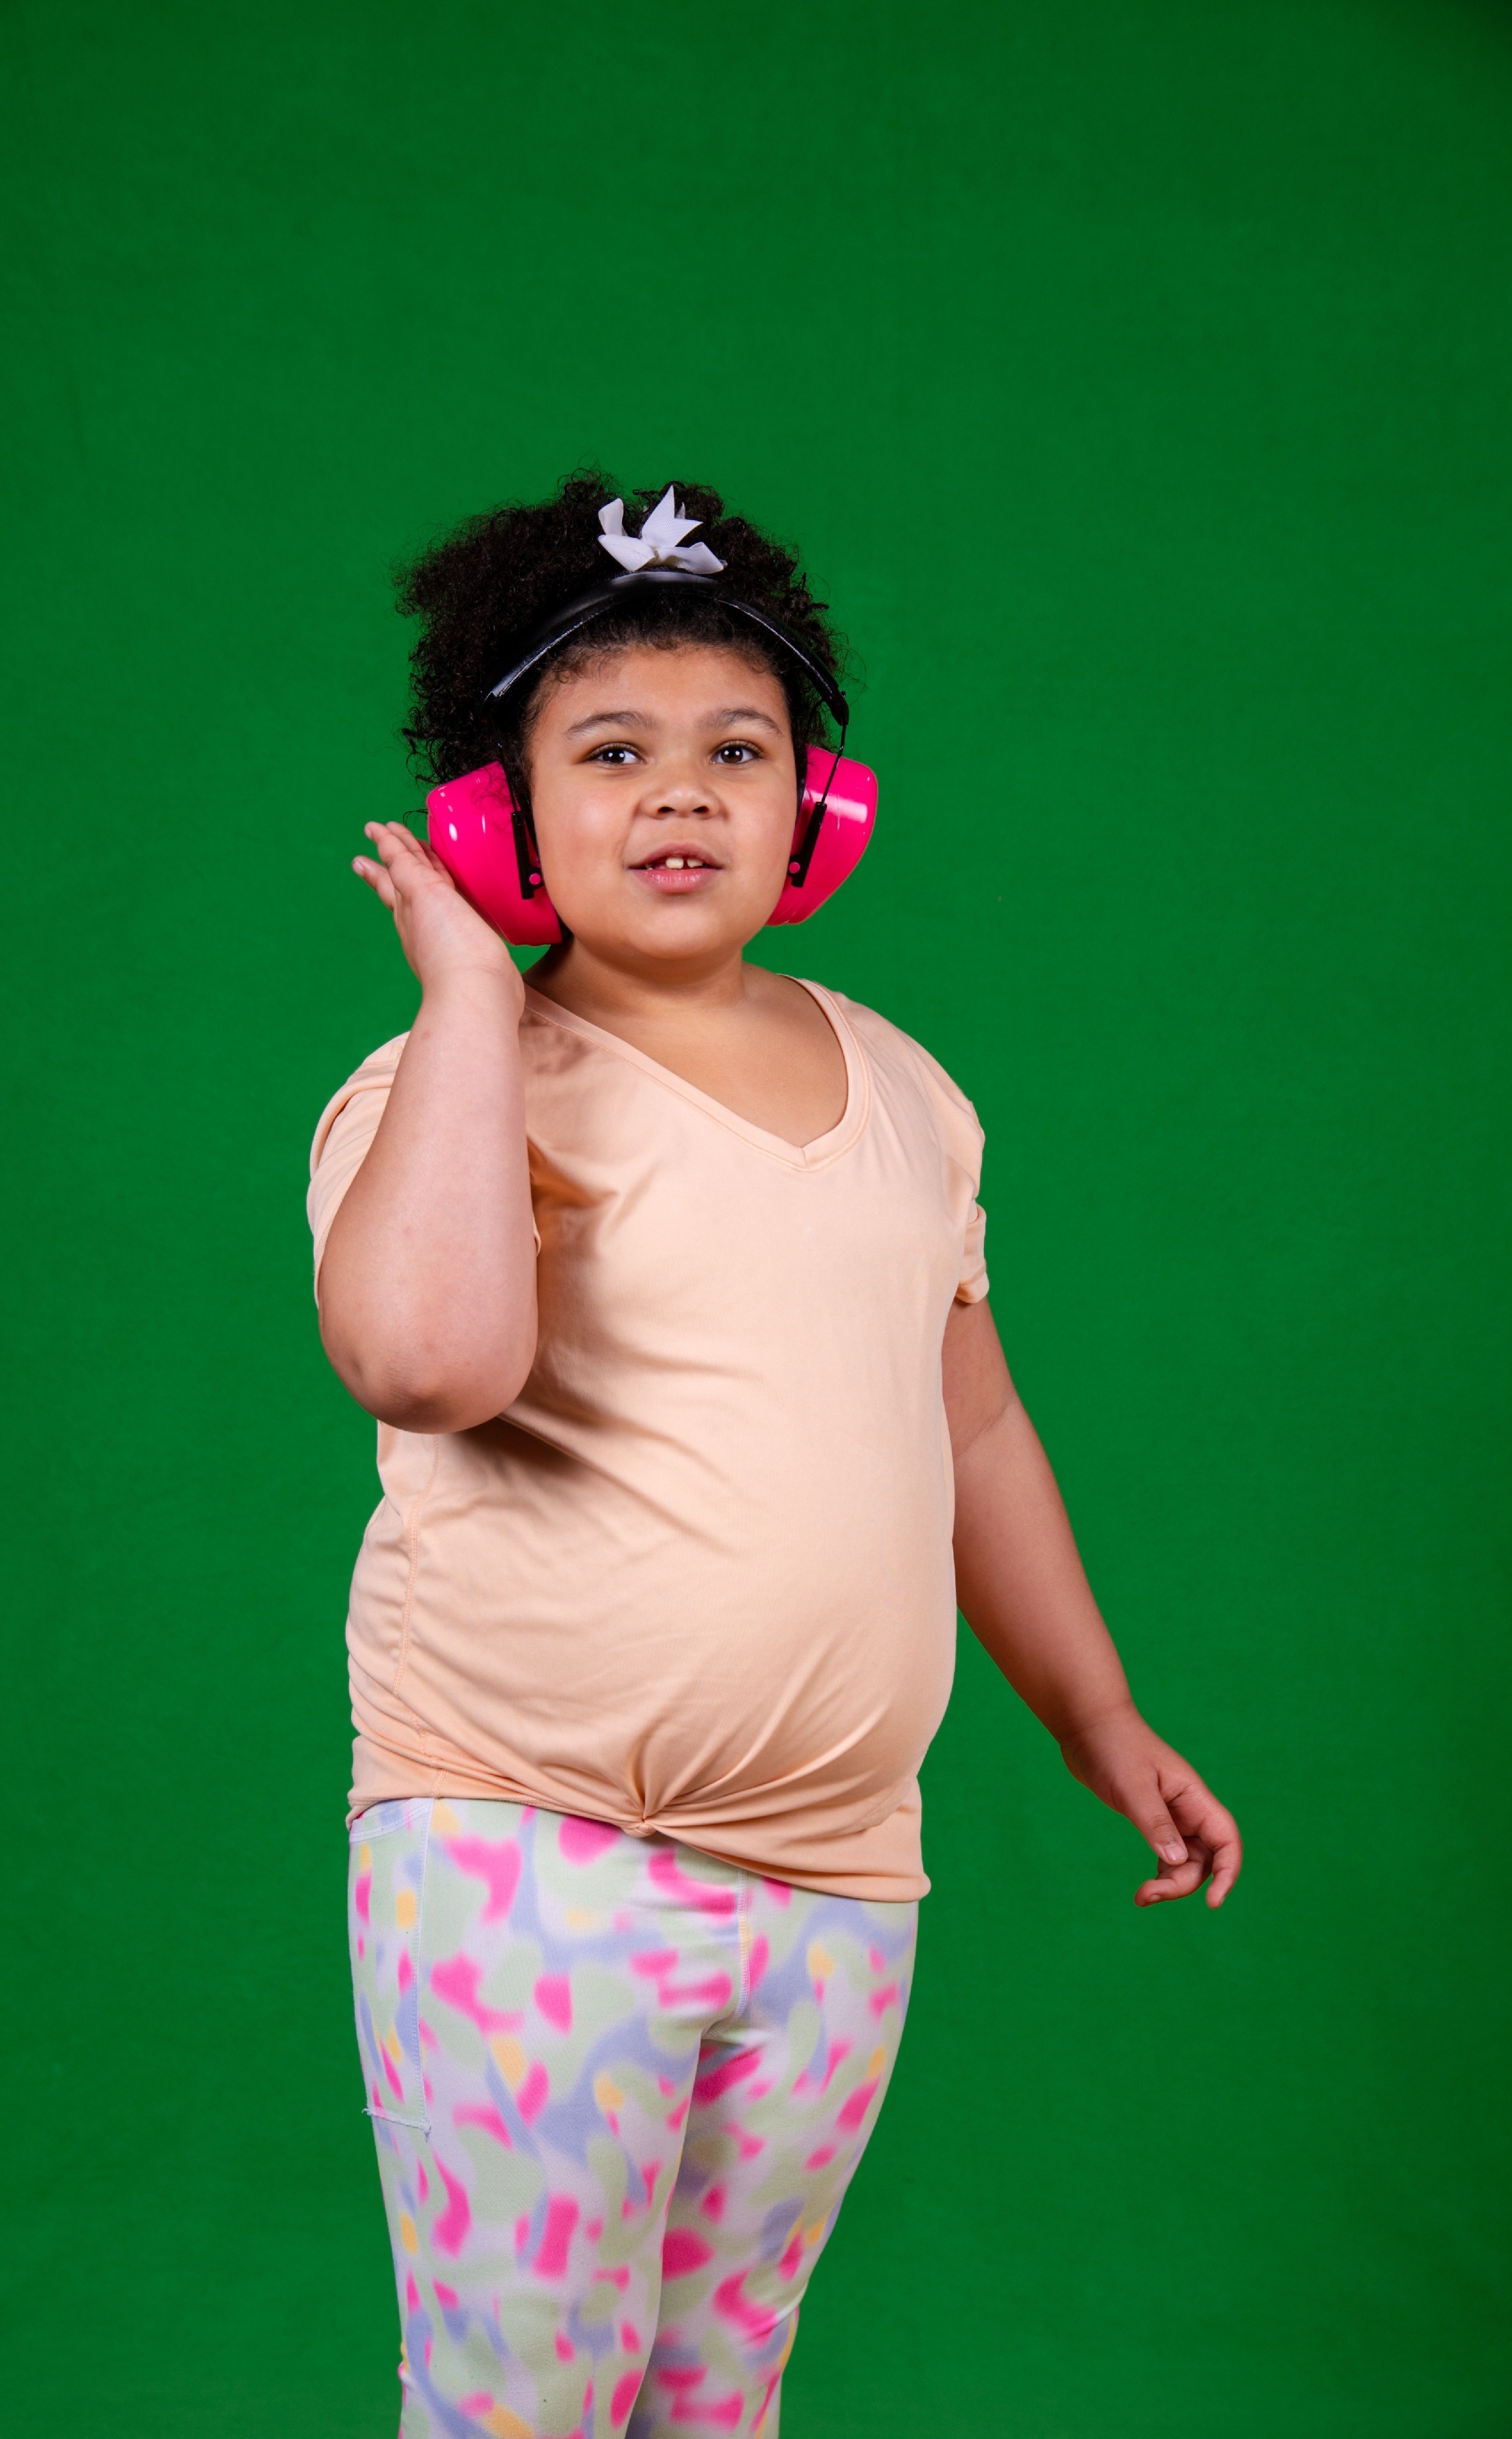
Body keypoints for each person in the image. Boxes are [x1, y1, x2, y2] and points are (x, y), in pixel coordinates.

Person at [308, 474, 1242, 2439]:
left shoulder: (910, 1091)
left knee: (719, 2393)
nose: (681, 792)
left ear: (819, 809)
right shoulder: (444, 1087)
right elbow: (428, 1362)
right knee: (523, 2404)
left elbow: (971, 1420)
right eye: (611, 752)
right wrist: (467, 1001)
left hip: (838, 1879)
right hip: (530, 1853)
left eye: (738, 751)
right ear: (497, 822)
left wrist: (1098, 1715)